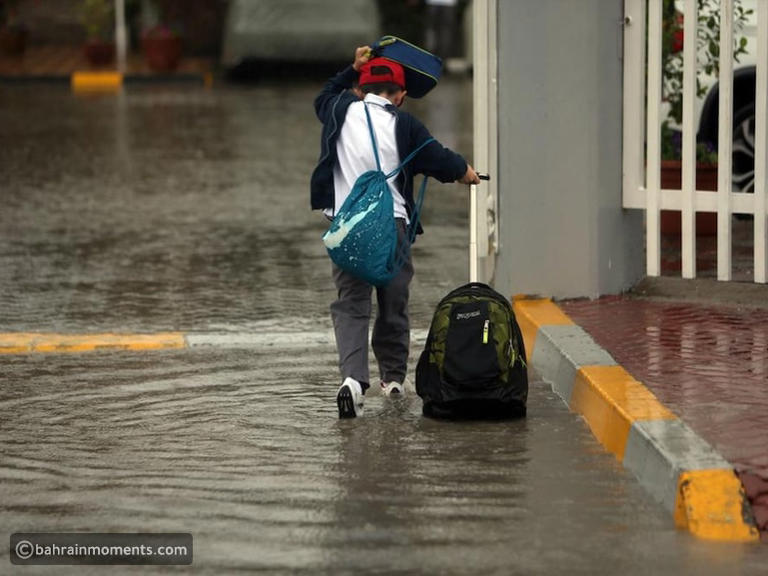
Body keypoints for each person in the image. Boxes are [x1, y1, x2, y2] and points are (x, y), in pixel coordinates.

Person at [311, 46, 480, 419]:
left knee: (351, 306)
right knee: (394, 303)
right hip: (393, 228)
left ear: (361, 88)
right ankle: (393, 380)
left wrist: (349, 69)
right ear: (401, 95)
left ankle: (353, 382)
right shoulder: (405, 126)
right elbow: (438, 158)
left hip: (347, 229)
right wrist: (465, 172)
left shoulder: (339, 109)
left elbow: (322, 95)